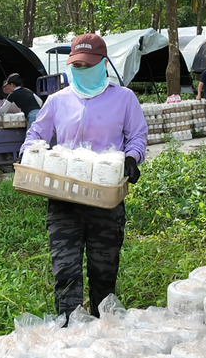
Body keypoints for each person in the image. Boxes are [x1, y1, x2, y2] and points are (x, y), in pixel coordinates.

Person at [19, 33, 148, 321]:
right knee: (65, 272)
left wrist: (131, 158)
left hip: (105, 200)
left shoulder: (123, 99)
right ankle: (70, 333)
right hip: (64, 199)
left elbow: (137, 135)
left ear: (103, 64)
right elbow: (36, 134)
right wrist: (28, 153)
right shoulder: (57, 101)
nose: (81, 71)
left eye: (88, 65)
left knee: (104, 272)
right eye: (76, 66)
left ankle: (102, 332)